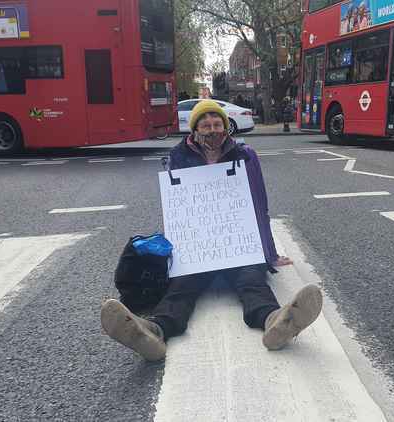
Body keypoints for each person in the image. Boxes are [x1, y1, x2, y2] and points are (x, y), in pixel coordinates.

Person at [101, 100, 323, 361]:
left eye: (217, 124)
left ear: (226, 127)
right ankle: (154, 331)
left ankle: (275, 322)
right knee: (181, 286)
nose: (212, 130)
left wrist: (269, 253)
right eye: (205, 125)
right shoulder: (178, 156)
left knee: (251, 279)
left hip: (237, 242)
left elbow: (259, 203)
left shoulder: (244, 155)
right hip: (199, 244)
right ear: (194, 128)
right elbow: (177, 208)